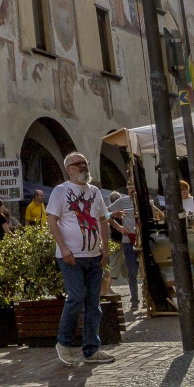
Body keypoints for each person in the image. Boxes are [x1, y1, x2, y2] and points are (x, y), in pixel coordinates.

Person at [48, 152, 116, 367]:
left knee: (93, 304)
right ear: (68, 169)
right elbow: (52, 220)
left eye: (84, 164)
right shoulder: (61, 191)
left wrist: (105, 248)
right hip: (71, 257)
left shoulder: (94, 191)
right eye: (77, 165)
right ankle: (64, 344)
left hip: (94, 256)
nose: (83, 167)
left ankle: (91, 349)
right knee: (76, 298)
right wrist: (63, 248)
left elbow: (103, 220)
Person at [106, 188, 139, 310]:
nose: (132, 191)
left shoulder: (145, 201)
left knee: (141, 271)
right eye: (130, 189)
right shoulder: (122, 201)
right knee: (131, 272)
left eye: (134, 189)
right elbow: (104, 214)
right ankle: (134, 300)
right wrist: (117, 225)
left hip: (142, 239)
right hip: (127, 241)